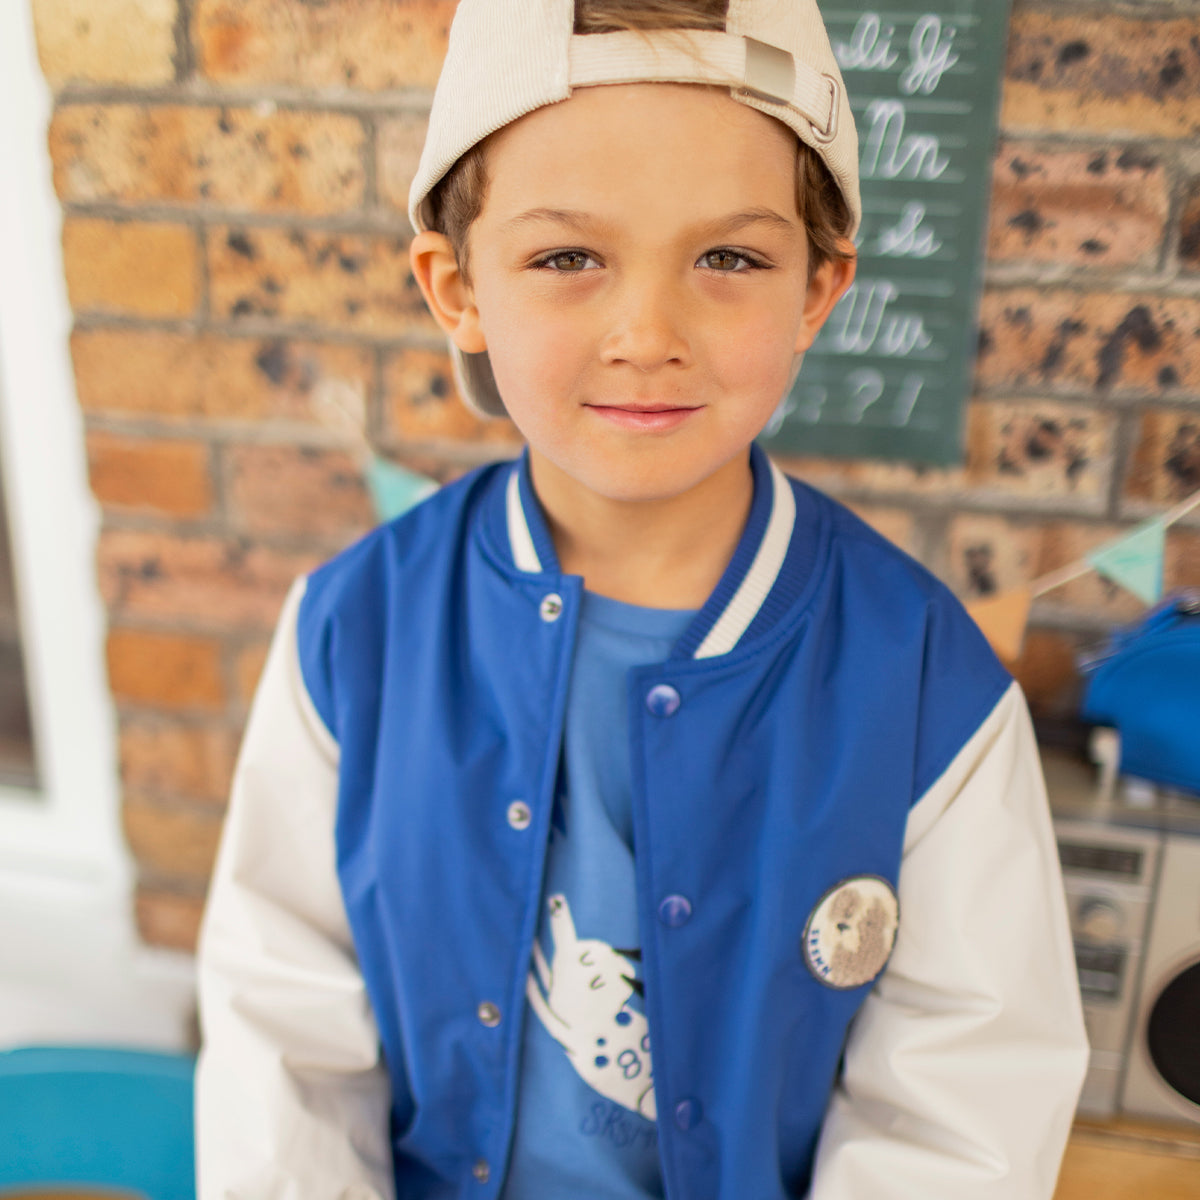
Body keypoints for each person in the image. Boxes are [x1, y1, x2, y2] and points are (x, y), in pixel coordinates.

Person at [194, 1, 1089, 1196]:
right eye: (568, 257)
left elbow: (960, 1111)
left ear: (819, 289)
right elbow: (283, 1058)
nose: (648, 332)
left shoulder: (927, 688)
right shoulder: (351, 636)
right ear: (456, 286)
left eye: (730, 258)